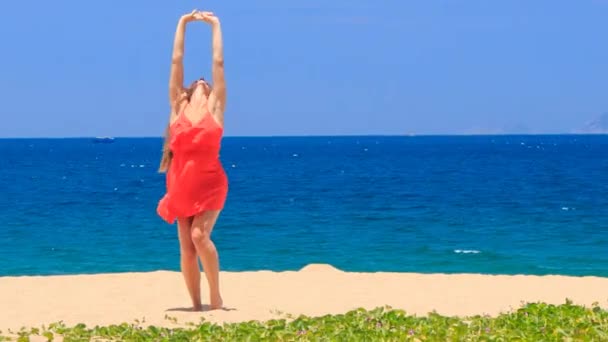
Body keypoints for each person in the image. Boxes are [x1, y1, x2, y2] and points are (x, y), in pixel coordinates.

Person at [157, 9, 227, 311]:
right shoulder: (178, 110)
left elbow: (218, 62)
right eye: (197, 80)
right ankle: (196, 306)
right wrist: (182, 23)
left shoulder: (215, 110)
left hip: (210, 185)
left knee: (200, 235)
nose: (202, 79)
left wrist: (215, 25)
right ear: (185, 92)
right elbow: (176, 60)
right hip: (181, 185)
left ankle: (216, 297)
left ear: (209, 91)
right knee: (187, 249)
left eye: (206, 81)